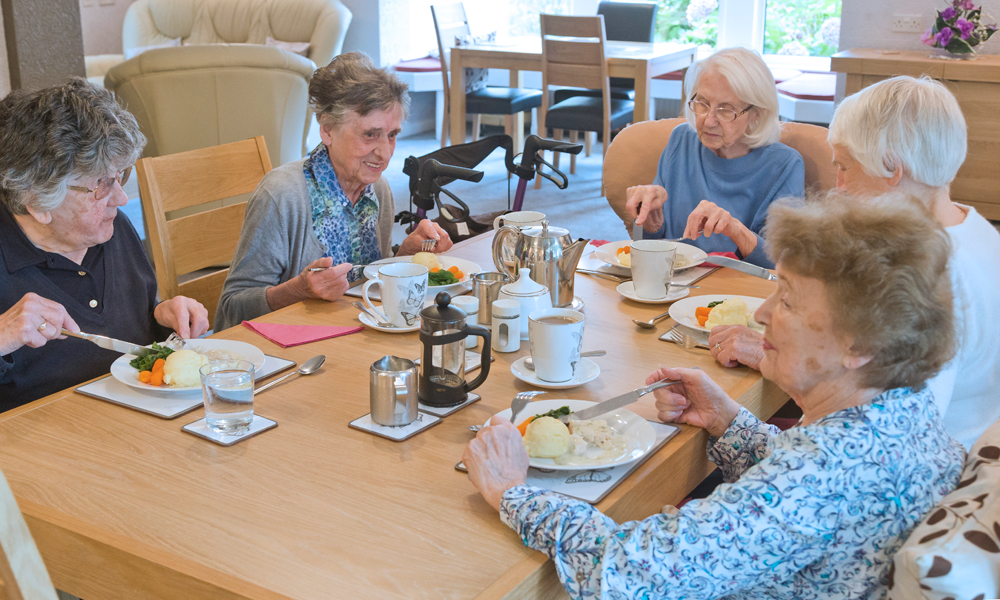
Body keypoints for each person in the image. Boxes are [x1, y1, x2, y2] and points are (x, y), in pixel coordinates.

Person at [464, 193, 965, 599]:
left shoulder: (822, 475)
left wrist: (514, 494)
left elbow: (628, 572)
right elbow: (804, 503)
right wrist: (731, 423)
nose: (763, 313)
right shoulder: (902, 411)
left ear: (860, 344)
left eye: (787, 298)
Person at [710, 75, 1000, 450]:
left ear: (892, 167)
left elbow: (887, 438)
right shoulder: (978, 230)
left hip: (918, 486)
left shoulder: (927, 273)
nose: (839, 187)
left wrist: (791, 356)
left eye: (845, 167)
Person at [0, 79, 209, 408]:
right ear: (38, 201)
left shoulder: (109, 227)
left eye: (122, 175)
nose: (122, 198)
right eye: (102, 184)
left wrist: (159, 316)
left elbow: (130, 338)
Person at [215, 52, 452, 330]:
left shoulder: (378, 188)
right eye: (369, 134)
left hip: (353, 337)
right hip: (288, 350)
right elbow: (230, 310)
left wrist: (404, 256)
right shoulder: (281, 196)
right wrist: (298, 290)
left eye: (392, 135)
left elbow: (369, 283)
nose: (384, 153)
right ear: (327, 130)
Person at [624, 47, 804, 267]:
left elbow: (786, 265)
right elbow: (650, 247)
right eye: (702, 103)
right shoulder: (681, 140)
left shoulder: (785, 166)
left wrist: (736, 231)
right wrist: (651, 223)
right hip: (674, 287)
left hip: (737, 295)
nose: (709, 121)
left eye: (725, 110)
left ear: (757, 113)